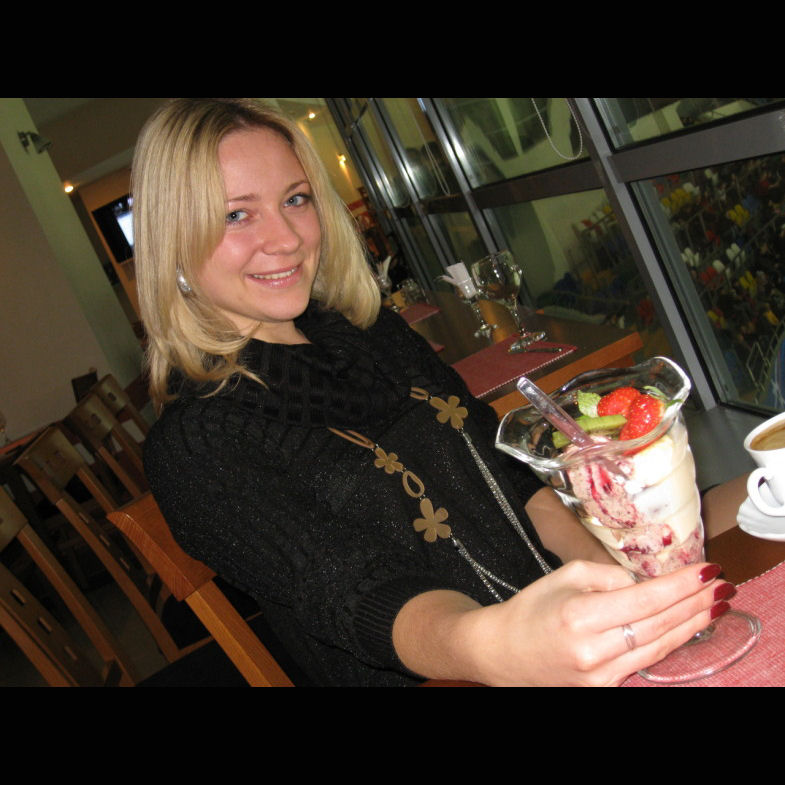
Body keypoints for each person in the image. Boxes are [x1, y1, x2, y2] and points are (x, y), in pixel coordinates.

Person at [134, 98, 734, 687]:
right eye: (236, 215)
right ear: (174, 242)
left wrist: (609, 573)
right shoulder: (195, 445)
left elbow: (512, 479)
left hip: (566, 618)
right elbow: (354, 594)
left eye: (296, 199)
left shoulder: (373, 332)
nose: (287, 238)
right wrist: (495, 647)